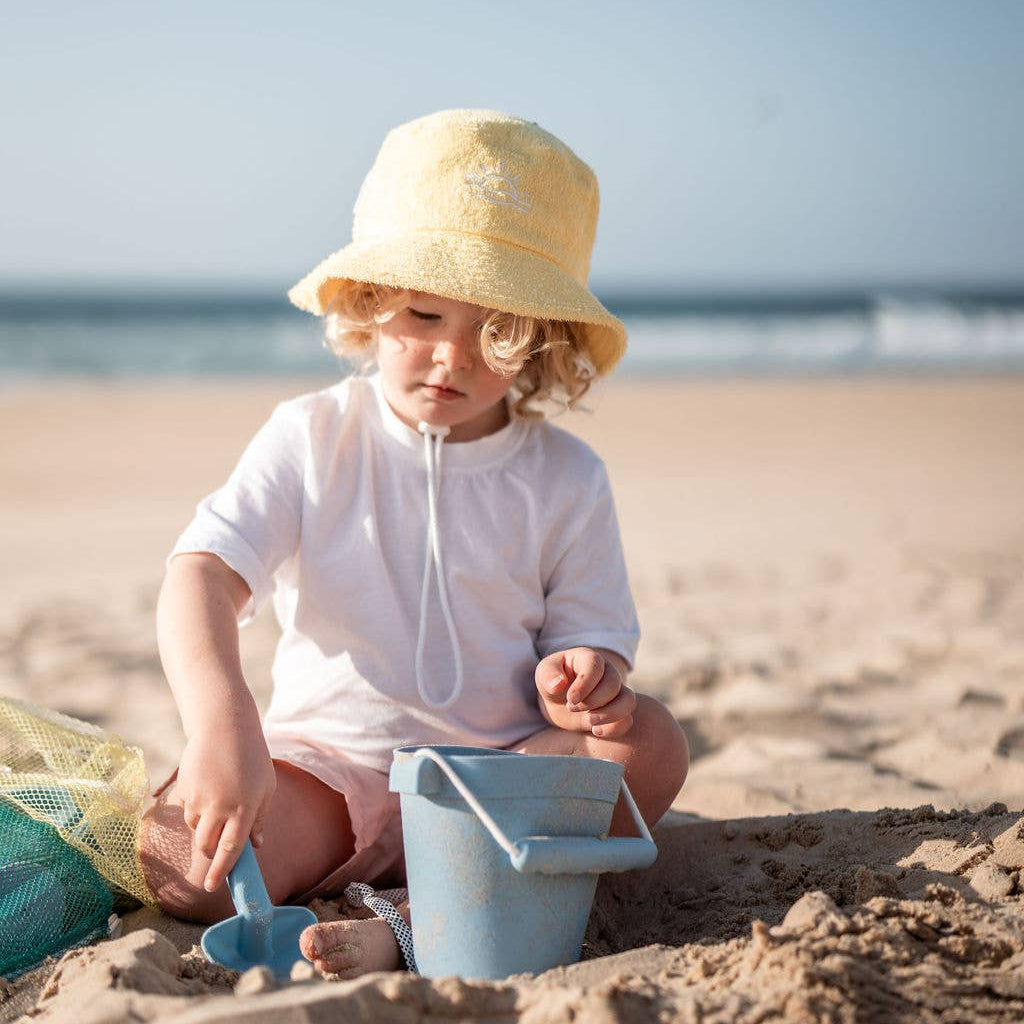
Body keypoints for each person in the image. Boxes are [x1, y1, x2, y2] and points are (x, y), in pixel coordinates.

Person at [138, 108, 689, 978]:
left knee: (649, 745)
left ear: (540, 340)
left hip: (499, 781)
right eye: (425, 315)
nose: (450, 358)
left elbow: (593, 640)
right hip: (329, 778)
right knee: (176, 858)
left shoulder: (566, 476)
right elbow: (201, 575)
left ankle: (404, 922)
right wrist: (220, 725)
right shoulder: (313, 436)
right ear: (367, 304)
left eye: (494, 333)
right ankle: (440, 903)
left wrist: (583, 677)